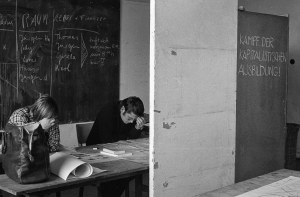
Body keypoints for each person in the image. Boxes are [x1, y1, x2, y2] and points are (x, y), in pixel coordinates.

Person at [86, 96, 146, 197]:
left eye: (134, 120)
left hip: (117, 149)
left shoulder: (131, 114)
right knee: (122, 174)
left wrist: (137, 128)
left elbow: (131, 136)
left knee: (132, 171)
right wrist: (126, 136)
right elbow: (107, 140)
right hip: (95, 149)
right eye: (129, 118)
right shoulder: (108, 111)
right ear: (122, 109)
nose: (131, 122)